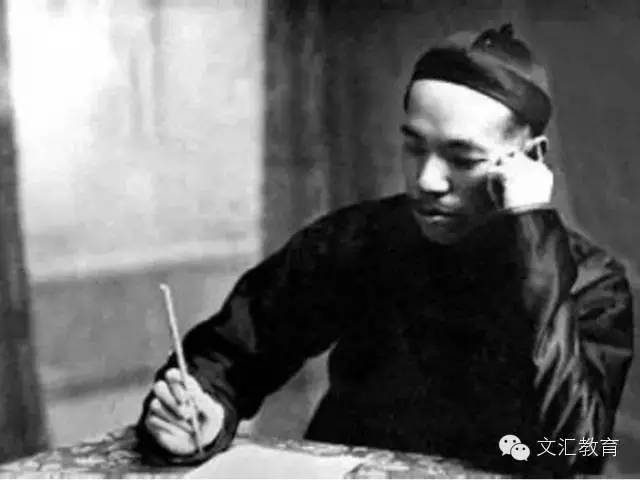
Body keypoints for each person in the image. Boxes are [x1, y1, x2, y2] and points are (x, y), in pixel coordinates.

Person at [135, 24, 634, 477]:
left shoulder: (592, 282)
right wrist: (204, 407)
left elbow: (578, 448)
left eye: (462, 158)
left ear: (532, 160)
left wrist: (531, 235)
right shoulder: (361, 238)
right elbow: (232, 352)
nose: (427, 180)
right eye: (414, 147)